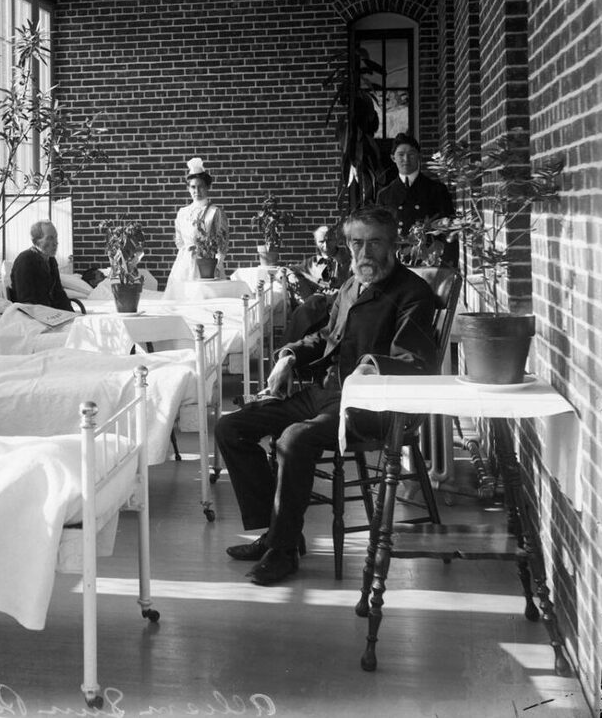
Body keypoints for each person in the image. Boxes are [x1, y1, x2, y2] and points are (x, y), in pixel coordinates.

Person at [213, 205, 437, 586]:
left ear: (394, 244)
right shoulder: (352, 284)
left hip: (373, 405)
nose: (364, 253)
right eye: (356, 243)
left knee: (294, 438)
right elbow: (325, 338)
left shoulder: (412, 293)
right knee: (230, 428)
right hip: (327, 393)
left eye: (374, 243)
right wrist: (287, 357)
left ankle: (281, 551)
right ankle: (277, 531)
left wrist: (370, 365)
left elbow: (415, 362)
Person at [376, 132, 456, 264]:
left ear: (419, 156)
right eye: (401, 154)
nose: (406, 159)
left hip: (430, 265)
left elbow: (449, 235)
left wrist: (448, 269)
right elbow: (379, 236)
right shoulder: (384, 195)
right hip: (396, 266)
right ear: (393, 158)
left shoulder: (437, 190)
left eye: (411, 154)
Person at [163, 157, 228, 299]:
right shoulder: (182, 212)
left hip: (207, 264)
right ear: (188, 188)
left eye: (201, 186)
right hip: (184, 265)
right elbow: (179, 241)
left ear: (207, 187)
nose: (197, 190)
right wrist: (186, 255)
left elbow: (222, 243)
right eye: (193, 187)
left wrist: (217, 264)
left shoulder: (215, 212)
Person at [282, 224, 352, 342]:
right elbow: (285, 270)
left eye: (329, 240)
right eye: (321, 242)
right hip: (321, 302)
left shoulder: (350, 258)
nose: (325, 245)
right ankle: (285, 351)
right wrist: (290, 275)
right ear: (316, 242)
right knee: (304, 310)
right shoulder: (310, 264)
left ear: (336, 239)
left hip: (344, 298)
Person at [9, 221, 74, 312]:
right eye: (50, 238)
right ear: (36, 241)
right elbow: (26, 301)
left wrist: (73, 316)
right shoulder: (25, 260)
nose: (56, 242)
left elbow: (59, 293)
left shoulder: (51, 260)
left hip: (53, 314)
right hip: (34, 317)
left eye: (56, 237)